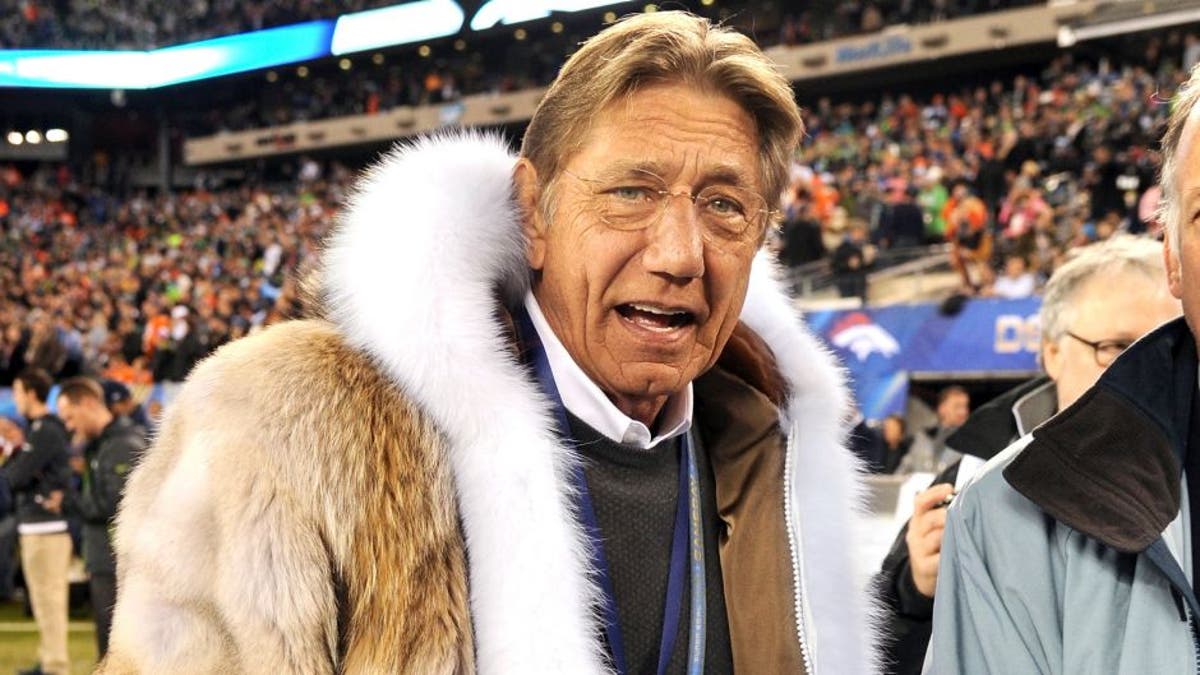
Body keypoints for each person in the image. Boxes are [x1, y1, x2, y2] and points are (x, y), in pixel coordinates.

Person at [98, 12, 877, 675]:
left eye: (724, 205)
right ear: (533, 214)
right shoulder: (281, 431)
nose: (679, 253)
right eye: (631, 192)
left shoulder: (772, 461)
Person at [924, 65, 1200, 673]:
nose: (1130, 364)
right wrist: (910, 596)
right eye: (1114, 347)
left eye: (1146, 345)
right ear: (1174, 264)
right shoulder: (999, 514)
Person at [877, 235, 1182, 674]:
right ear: (1052, 353)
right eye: (1114, 349)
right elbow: (872, 653)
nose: (1141, 373)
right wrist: (915, 593)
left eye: (1166, 351)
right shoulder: (969, 476)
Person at [54, 377, 144, 661]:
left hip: (117, 561)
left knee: (119, 650)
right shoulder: (102, 444)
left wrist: (67, 500)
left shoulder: (122, 444)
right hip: (106, 557)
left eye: (70, 417)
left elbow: (114, 504)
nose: (69, 426)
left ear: (89, 403)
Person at [1, 369, 72, 675]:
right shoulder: (39, 429)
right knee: (43, 601)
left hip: (47, 529)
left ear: (31, 393)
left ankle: (55, 666)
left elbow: (14, 478)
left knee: (50, 601)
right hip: (38, 526)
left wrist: (18, 465)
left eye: (17, 391)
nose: (15, 398)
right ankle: (49, 661)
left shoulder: (46, 430)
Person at [897, 386, 969, 475]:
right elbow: (905, 468)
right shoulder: (924, 437)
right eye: (957, 406)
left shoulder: (970, 441)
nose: (963, 412)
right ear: (942, 408)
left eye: (965, 406)